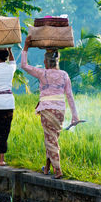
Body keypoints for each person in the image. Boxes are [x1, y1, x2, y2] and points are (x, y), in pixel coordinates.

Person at [21, 36, 79, 179]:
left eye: (44, 60)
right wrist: (74, 115)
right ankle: (47, 168)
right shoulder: (64, 75)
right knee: (52, 138)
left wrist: (26, 47)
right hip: (60, 111)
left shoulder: (43, 73)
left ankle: (57, 170)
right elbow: (70, 96)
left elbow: (24, 65)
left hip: (47, 110)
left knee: (50, 139)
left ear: (46, 61)